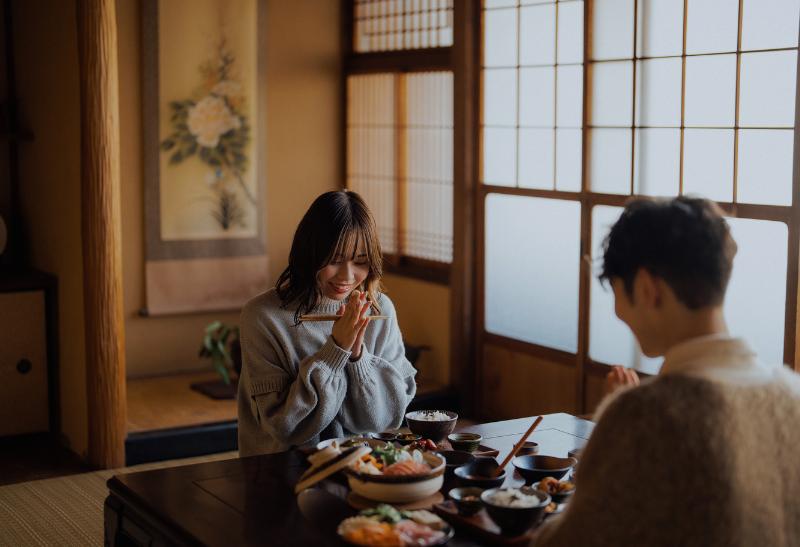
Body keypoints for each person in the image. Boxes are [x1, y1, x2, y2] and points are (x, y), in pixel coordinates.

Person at [534, 196, 800, 546]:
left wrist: (623, 415)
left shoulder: (644, 413)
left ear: (647, 288)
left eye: (616, 292)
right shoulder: (790, 395)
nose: (617, 312)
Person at [237, 190, 417, 456]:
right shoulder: (263, 316)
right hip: (279, 471)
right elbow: (285, 427)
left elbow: (386, 419)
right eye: (334, 260)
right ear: (309, 253)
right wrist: (337, 350)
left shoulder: (380, 310)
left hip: (361, 468)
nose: (347, 276)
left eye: (361, 262)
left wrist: (357, 357)